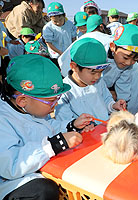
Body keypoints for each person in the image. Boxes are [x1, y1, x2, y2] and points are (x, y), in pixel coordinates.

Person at [0, 54, 94, 199]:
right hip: (9, 186)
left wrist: (72, 126)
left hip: (35, 171)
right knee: (44, 190)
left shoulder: (28, 109)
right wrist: (54, 145)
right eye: (51, 100)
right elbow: (10, 165)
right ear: (23, 100)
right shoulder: (3, 121)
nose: (56, 104)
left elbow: (46, 127)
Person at [55, 38, 126, 123]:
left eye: (101, 72)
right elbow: (65, 123)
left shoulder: (99, 82)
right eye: (93, 72)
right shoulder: (64, 92)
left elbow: (107, 100)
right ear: (74, 67)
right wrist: (78, 125)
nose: (97, 76)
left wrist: (113, 106)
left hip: (104, 128)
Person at [102, 24, 138, 114]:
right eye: (125, 57)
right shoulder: (102, 60)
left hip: (132, 110)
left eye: (135, 59)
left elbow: (130, 97)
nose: (128, 63)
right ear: (113, 47)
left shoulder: (134, 71)